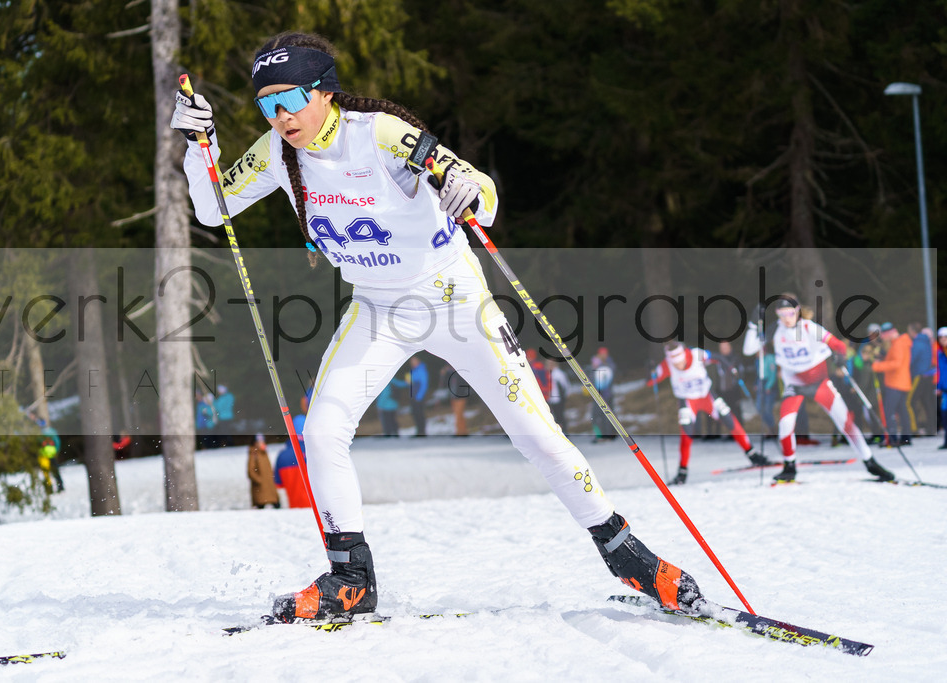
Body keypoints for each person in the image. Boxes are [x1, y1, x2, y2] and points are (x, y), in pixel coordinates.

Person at [173, 30, 707, 623]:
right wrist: (203, 143)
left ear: (324, 91)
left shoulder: (376, 133)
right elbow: (212, 206)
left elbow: (486, 197)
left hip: (454, 299)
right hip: (377, 307)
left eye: (290, 99)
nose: (279, 117)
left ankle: (630, 557)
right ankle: (350, 577)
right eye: (266, 105)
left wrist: (463, 189)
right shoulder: (279, 152)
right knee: (321, 432)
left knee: (535, 435)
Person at [743, 296, 894, 482]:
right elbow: (749, 350)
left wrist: (841, 357)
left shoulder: (809, 327)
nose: (787, 318)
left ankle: (870, 462)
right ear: (777, 314)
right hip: (795, 385)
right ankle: (789, 466)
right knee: (785, 424)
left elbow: (838, 344)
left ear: (797, 311)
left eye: (790, 313)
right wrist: (752, 324)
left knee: (845, 422)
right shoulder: (776, 329)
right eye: (782, 314)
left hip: (819, 384)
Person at [647, 342, 765, 485]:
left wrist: (730, 368)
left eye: (681, 362)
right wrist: (651, 371)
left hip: (707, 396)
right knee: (687, 434)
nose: (679, 366)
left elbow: (717, 357)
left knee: (730, 421)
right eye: (676, 364)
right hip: (688, 401)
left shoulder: (696, 354)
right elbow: (650, 380)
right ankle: (682, 473)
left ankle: (752, 454)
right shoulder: (667, 364)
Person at [872, 324, 912, 447]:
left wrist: (878, 366)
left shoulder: (899, 344)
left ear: (889, 333)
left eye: (883, 336)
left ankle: (892, 439)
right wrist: (883, 358)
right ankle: (906, 438)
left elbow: (896, 363)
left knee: (889, 411)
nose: (883, 339)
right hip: (900, 382)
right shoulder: (900, 342)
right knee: (901, 410)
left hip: (895, 383)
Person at [273, 415, 312, 508]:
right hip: (318, 510)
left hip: (295, 509)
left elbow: (278, 484)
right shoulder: (315, 452)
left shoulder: (282, 456)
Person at [908, 323, 935, 436]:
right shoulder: (927, 342)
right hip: (928, 376)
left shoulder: (917, 343)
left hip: (919, 375)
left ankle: (914, 428)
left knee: (910, 401)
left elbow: (911, 360)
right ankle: (932, 428)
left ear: (913, 331)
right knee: (927, 402)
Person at [589, 347, 617, 442]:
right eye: (601, 354)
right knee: (595, 416)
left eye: (604, 354)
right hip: (597, 395)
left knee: (608, 416)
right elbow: (591, 377)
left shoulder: (610, 364)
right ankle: (598, 435)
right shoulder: (595, 364)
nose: (603, 356)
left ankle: (608, 435)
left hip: (607, 395)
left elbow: (611, 373)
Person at [248, 433, 281, 509]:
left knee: (276, 504)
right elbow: (251, 471)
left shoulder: (264, 453)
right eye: (260, 442)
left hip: (269, 485)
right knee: (261, 506)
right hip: (261, 487)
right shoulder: (254, 454)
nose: (262, 443)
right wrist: (260, 481)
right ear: (255, 443)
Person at [442, 364, 471, 436]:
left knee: (459, 414)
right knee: (458, 415)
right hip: (453, 396)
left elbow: (465, 384)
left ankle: (460, 432)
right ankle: (462, 431)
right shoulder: (451, 374)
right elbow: (445, 383)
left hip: (460, 396)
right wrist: (444, 374)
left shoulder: (461, 373)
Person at [547, 360, 571, 435]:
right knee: (554, 415)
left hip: (558, 398)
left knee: (559, 415)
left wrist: (565, 395)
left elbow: (565, 385)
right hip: (551, 398)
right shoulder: (549, 373)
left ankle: (564, 431)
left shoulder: (558, 373)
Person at [407, 356, 429, 437]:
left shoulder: (421, 370)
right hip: (413, 396)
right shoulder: (413, 370)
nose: (413, 363)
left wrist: (419, 396)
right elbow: (410, 383)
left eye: (414, 361)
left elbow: (424, 384)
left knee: (420, 414)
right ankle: (419, 431)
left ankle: (422, 432)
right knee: (415, 414)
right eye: (411, 362)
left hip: (419, 397)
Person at [936, 327, 947, 449]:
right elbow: (941, 372)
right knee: (944, 415)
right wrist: (939, 386)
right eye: (941, 337)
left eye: (945, 337)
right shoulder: (940, 353)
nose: (943, 340)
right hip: (944, 389)